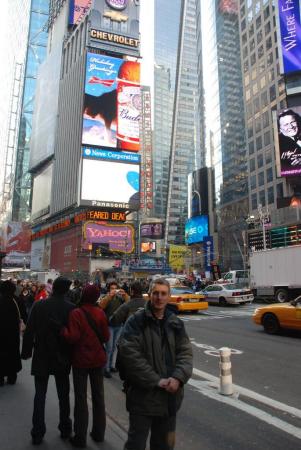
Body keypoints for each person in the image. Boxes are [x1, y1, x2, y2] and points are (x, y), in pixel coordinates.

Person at [118, 278, 193, 450]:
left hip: (169, 400)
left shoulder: (175, 323)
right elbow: (130, 357)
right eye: (156, 293)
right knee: (136, 444)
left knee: (164, 446)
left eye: (163, 293)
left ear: (169, 296)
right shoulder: (136, 321)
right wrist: (156, 381)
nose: (159, 297)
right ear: (149, 295)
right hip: (142, 399)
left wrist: (178, 378)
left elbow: (186, 354)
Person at [21, 277, 76, 445]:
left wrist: (26, 352)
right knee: (63, 395)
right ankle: (65, 428)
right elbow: (73, 335)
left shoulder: (39, 305)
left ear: (53, 288)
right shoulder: (72, 308)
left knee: (40, 395)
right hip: (62, 356)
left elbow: (29, 331)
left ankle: (37, 432)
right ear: (66, 290)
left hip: (42, 354)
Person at [61, 284, 110, 448]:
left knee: (81, 398)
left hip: (81, 361)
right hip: (98, 360)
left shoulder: (76, 313)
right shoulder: (100, 313)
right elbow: (106, 336)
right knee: (99, 396)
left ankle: (80, 436)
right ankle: (98, 433)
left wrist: (63, 331)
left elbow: (73, 337)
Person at [99, 281, 129, 378]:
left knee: (115, 347)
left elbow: (129, 303)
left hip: (119, 325)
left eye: (115, 288)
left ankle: (112, 365)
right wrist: (109, 296)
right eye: (112, 288)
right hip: (109, 325)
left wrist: (125, 295)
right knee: (109, 347)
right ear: (109, 289)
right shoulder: (106, 297)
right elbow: (101, 306)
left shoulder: (120, 298)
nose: (114, 290)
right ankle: (106, 368)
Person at [0, 281, 22, 386]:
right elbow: (24, 316)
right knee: (12, 354)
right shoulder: (16, 300)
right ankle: (11, 377)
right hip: (13, 335)